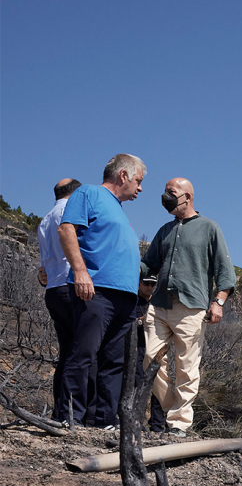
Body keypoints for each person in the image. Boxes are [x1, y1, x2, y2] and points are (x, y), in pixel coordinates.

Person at [141, 178, 236, 437]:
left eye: (171, 193)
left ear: (188, 196)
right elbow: (148, 266)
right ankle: (175, 408)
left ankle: (180, 424)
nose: (165, 197)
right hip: (159, 305)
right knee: (149, 359)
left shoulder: (209, 228)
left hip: (192, 307)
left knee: (186, 367)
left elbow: (225, 272)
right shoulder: (164, 231)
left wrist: (218, 303)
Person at [58, 154, 145, 428]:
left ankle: (104, 420)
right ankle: (70, 418)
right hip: (97, 290)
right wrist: (81, 271)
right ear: (123, 175)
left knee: (114, 360)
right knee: (83, 353)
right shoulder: (89, 193)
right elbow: (66, 229)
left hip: (125, 297)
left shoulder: (119, 209)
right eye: (138, 181)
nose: (140, 188)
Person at [37, 178, 82, 420]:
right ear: (76, 193)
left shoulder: (44, 219)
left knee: (66, 352)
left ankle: (61, 410)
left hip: (53, 289)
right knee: (82, 351)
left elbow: (43, 265)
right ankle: (74, 412)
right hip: (71, 285)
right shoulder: (69, 212)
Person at [133, 276, 166, 434]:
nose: (149, 287)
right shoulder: (132, 301)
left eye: (153, 284)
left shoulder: (159, 303)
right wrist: (142, 321)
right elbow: (128, 323)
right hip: (139, 347)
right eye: (146, 283)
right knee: (139, 384)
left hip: (157, 348)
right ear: (139, 284)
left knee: (159, 385)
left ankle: (158, 424)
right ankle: (136, 421)